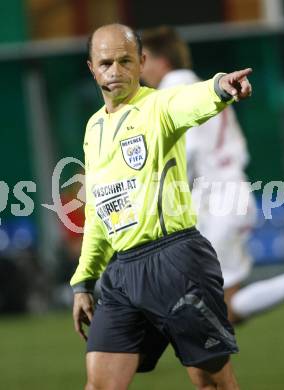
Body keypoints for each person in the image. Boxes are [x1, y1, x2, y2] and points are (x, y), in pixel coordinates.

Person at [70, 23, 252, 390]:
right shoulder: (93, 129)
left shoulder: (158, 106)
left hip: (176, 262)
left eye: (125, 60)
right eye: (106, 62)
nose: (115, 71)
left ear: (143, 61)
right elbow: (97, 211)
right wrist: (83, 281)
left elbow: (193, 99)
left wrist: (221, 87)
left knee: (212, 383)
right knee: (100, 384)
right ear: (92, 67)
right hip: (122, 272)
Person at [141, 26, 257, 324]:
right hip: (228, 194)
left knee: (212, 312)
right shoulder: (199, 85)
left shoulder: (172, 91)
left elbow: (186, 152)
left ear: (161, 61)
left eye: (144, 59)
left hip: (218, 200)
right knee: (218, 311)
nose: (141, 69)